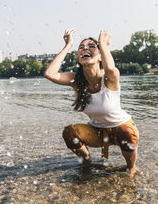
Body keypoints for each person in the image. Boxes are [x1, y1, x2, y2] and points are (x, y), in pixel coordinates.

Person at [44, 28, 139, 177]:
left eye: (91, 46)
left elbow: (109, 67)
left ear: (100, 56)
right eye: (81, 48)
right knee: (69, 133)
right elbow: (49, 74)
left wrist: (103, 44)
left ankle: (131, 168)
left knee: (126, 133)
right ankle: (87, 161)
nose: (85, 49)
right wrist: (68, 45)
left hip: (121, 128)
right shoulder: (76, 80)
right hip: (97, 132)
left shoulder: (109, 77)